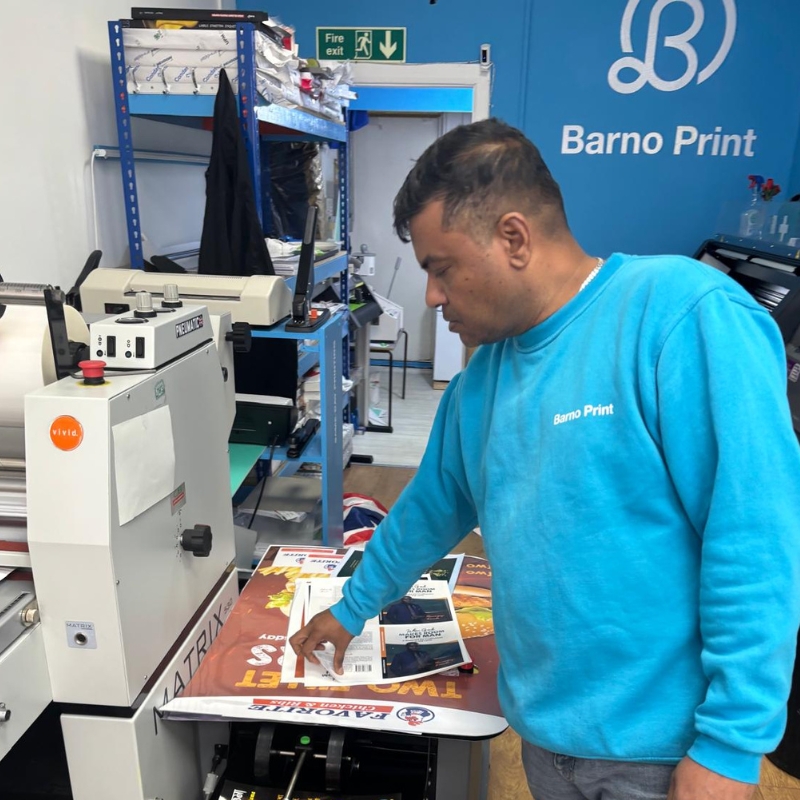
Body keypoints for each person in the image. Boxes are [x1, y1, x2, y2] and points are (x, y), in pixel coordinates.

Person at [290, 119, 800, 800]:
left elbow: (754, 538)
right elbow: (426, 513)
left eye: (441, 268)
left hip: (666, 753)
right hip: (545, 737)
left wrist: (731, 744)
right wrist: (352, 607)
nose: (433, 296)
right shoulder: (482, 381)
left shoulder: (681, 316)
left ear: (513, 238)